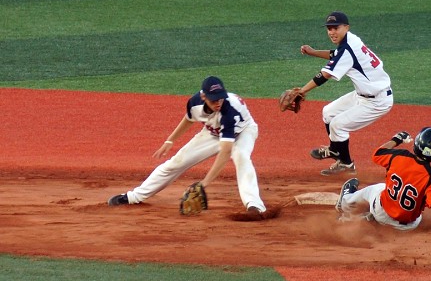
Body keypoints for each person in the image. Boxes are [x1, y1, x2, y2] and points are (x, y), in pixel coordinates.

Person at [107, 76, 267, 215]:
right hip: (212, 133)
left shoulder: (229, 111)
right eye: (213, 99)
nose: (218, 102)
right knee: (176, 163)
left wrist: (204, 184)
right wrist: (170, 140)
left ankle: (255, 206)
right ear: (203, 96)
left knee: (241, 156)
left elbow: (225, 151)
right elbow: (189, 119)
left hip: (243, 133)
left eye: (220, 98)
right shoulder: (195, 102)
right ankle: (134, 197)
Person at [294, 11, 393, 176]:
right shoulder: (351, 40)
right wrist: (313, 52)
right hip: (363, 95)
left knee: (338, 125)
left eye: (336, 28)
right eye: (329, 28)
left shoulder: (348, 48)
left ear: (346, 27)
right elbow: (336, 55)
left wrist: (302, 90)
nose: (332, 32)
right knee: (328, 112)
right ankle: (335, 150)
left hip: (377, 101)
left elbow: (325, 75)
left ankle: (346, 164)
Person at [335, 127, 431, 242]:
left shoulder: (399, 156)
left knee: (378, 188)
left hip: (381, 212)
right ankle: (371, 220)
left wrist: (397, 139)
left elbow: (377, 154)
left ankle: (345, 201)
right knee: (421, 204)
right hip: (407, 226)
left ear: (417, 144)